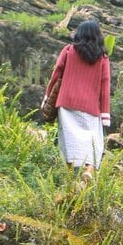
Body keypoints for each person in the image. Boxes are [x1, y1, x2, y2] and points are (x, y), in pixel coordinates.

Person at [43, 20, 111, 182]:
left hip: (66, 102)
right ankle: (88, 169)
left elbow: (56, 75)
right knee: (93, 140)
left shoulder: (68, 51)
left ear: (78, 34)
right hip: (90, 106)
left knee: (68, 139)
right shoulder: (102, 58)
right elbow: (105, 86)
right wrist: (105, 114)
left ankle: (69, 176)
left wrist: (47, 97)